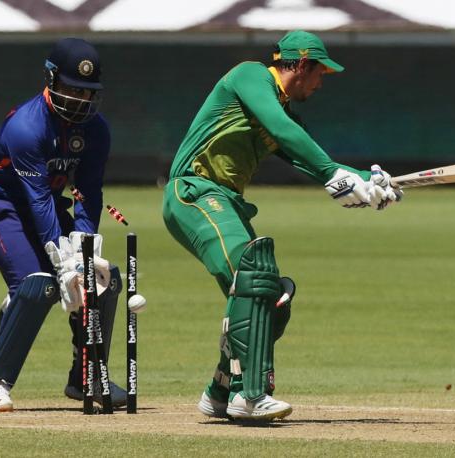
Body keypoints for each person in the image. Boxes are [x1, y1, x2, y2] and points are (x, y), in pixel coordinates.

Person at [162, 30, 401, 421]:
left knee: (272, 296)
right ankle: (250, 396)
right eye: (320, 73)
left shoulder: (285, 114)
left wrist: (369, 180)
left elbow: (306, 155)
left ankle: (220, 390)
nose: (321, 83)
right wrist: (334, 175)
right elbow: (284, 131)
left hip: (228, 204)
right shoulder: (250, 76)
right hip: (194, 192)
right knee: (253, 276)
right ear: (302, 66)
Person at [0, 37, 126, 411]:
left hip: (46, 203)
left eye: (88, 92)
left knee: (102, 279)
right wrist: (64, 263)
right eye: (72, 88)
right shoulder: (26, 127)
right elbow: (35, 201)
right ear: (51, 80)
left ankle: (87, 378)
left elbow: (87, 193)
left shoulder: (96, 131)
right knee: (38, 286)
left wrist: (84, 251)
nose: (80, 99)